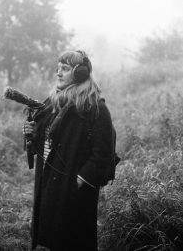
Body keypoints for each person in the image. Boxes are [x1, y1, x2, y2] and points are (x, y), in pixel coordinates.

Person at [22, 50, 116, 251]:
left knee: (73, 240)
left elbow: (103, 155)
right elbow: (48, 145)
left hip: (75, 190)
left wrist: (77, 182)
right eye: (58, 68)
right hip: (50, 182)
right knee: (54, 238)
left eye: (65, 69)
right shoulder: (53, 102)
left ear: (80, 73)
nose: (58, 73)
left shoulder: (95, 108)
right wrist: (34, 134)